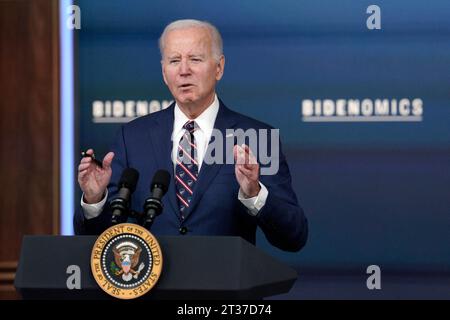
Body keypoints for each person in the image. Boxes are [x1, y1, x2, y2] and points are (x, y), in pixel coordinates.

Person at [74, 19, 308, 252]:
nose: (184, 70)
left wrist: (255, 194)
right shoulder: (133, 137)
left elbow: (293, 236)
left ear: (219, 67)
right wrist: (95, 200)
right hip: (151, 284)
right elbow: (98, 240)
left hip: (223, 283)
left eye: (195, 59)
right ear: (164, 72)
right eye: (174, 61)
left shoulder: (255, 137)